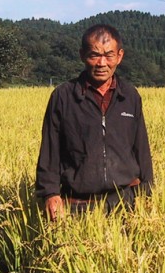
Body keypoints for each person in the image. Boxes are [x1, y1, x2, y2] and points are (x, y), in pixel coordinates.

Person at [35, 24, 153, 220]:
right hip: (78, 204)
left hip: (126, 201)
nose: (102, 63)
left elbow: (141, 147)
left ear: (120, 56)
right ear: (82, 55)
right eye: (94, 55)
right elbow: (50, 149)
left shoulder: (130, 96)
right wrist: (50, 193)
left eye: (109, 55)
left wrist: (147, 190)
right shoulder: (63, 96)